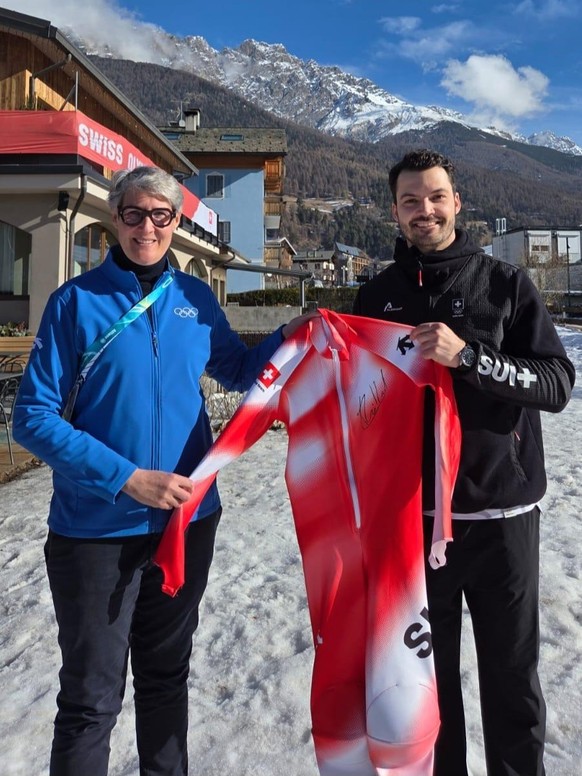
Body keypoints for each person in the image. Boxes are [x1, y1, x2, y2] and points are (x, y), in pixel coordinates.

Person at [13, 165, 313, 776]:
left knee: (165, 680)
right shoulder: (75, 303)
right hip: (94, 529)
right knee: (91, 699)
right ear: (114, 219)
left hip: (186, 521)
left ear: (176, 223)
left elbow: (236, 369)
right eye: (133, 213)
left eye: (161, 215)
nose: (146, 227)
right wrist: (127, 477)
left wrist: (292, 334)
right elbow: (33, 418)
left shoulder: (196, 299)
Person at [352, 149, 575, 776]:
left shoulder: (506, 285)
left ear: (457, 202)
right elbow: (358, 396)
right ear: (394, 212)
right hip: (414, 524)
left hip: (502, 516)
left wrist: (470, 357)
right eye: (411, 201)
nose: (425, 210)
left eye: (436, 197)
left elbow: (557, 384)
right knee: (429, 689)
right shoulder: (378, 296)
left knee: (512, 684)